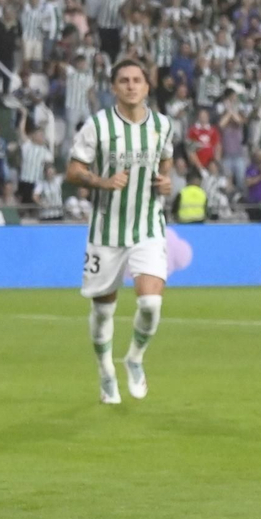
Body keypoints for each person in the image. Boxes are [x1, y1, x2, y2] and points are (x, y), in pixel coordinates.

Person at [63, 59, 174, 404]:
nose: (131, 85)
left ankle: (134, 359)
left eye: (137, 80)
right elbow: (73, 171)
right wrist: (103, 182)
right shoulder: (97, 125)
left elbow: (165, 159)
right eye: (124, 80)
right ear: (113, 87)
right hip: (106, 231)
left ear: (147, 86)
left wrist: (165, 181)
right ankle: (105, 372)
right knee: (103, 311)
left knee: (150, 303)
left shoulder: (162, 125)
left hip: (147, 226)